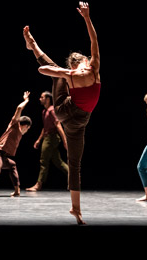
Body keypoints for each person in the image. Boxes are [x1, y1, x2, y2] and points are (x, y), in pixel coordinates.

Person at [23, 2, 100, 225]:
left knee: (74, 164)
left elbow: (94, 41)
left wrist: (87, 17)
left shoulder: (94, 68)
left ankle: (76, 209)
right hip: (65, 110)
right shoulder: (71, 75)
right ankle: (34, 46)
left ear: (88, 61)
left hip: (80, 122)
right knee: (57, 75)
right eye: (77, 65)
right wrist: (64, 72)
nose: (81, 66)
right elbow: (42, 70)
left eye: (82, 63)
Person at [26, 91, 68, 192]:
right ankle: (74, 178)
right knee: (59, 162)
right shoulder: (44, 112)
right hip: (47, 137)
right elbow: (44, 128)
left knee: (43, 161)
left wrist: (65, 141)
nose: (40, 99)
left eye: (42, 97)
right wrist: (39, 140)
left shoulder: (52, 110)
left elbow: (58, 125)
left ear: (48, 99)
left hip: (52, 138)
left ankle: (38, 185)